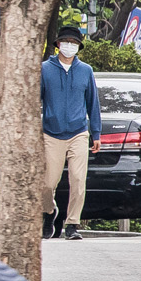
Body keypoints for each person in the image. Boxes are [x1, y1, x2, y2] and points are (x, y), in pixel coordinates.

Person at [41, 26, 100, 240]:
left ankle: (72, 224)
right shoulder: (45, 69)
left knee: (77, 179)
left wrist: (97, 133)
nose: (69, 45)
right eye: (65, 41)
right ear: (57, 44)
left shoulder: (86, 70)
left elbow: (93, 103)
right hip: (51, 133)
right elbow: (35, 101)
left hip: (78, 132)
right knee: (48, 183)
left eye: (74, 43)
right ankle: (48, 213)